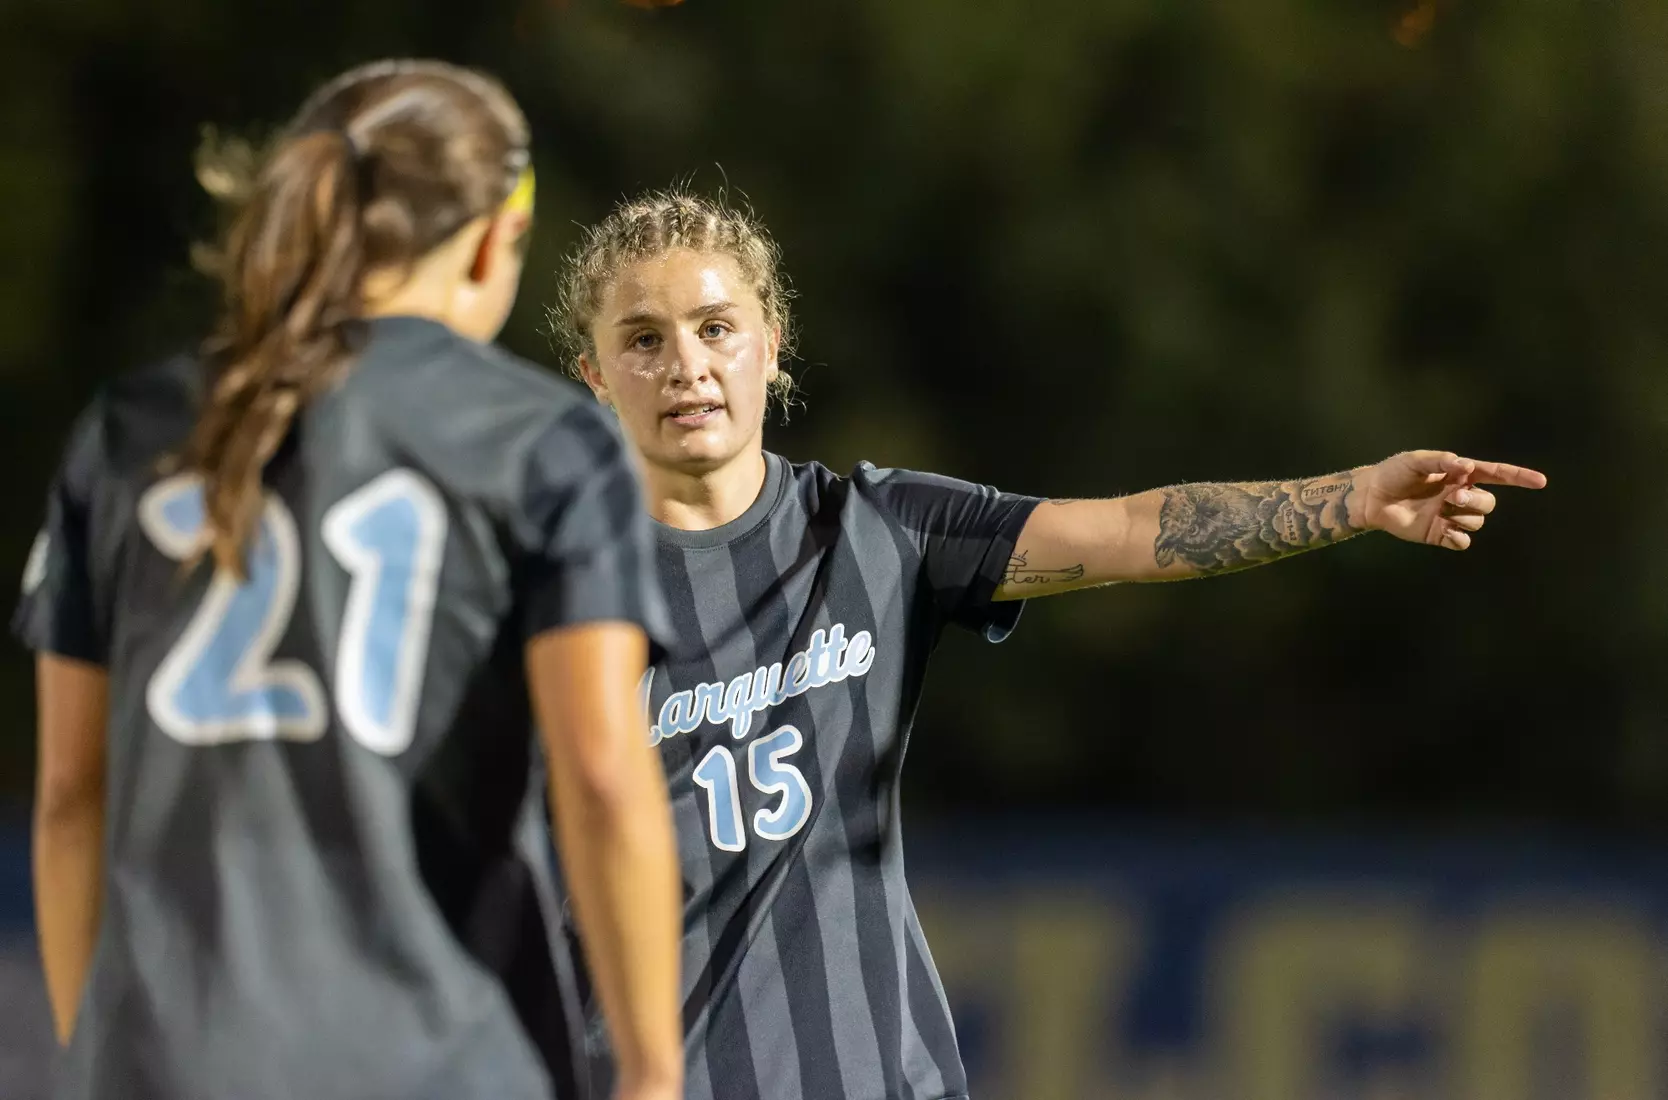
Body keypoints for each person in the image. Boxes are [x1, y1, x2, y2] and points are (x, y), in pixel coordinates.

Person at [546, 188, 1548, 1100]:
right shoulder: (546, 599)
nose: (686, 364)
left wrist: (1353, 498)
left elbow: (1129, 531)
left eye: (716, 327)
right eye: (643, 339)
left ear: (771, 343)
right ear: (595, 375)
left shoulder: (877, 530)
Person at [17, 61, 683, 1100]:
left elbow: (68, 797)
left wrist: (100, 1055)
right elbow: (600, 775)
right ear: (495, 239)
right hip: (436, 1062)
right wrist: (651, 1075)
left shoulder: (127, 430)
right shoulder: (543, 439)